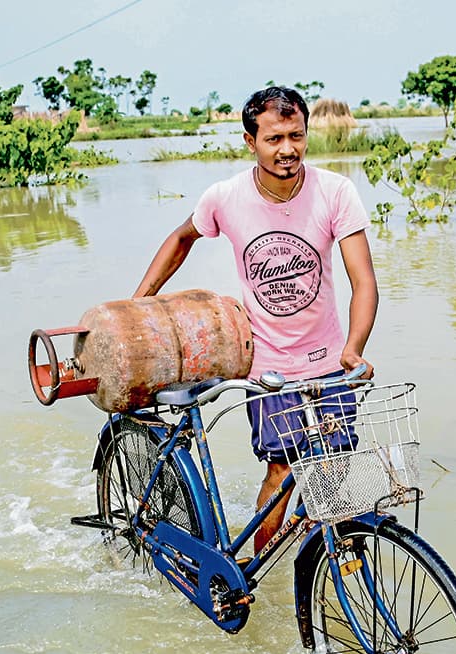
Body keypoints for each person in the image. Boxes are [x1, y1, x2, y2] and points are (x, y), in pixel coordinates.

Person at [132, 85, 378, 555]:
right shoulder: (226, 197)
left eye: (296, 135)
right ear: (250, 142)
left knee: (338, 474)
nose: (288, 149)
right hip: (267, 367)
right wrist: (140, 301)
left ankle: (330, 574)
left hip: (330, 362)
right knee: (282, 472)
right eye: (274, 139)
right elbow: (183, 238)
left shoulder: (336, 192)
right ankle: (257, 573)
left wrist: (355, 347)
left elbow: (363, 280)